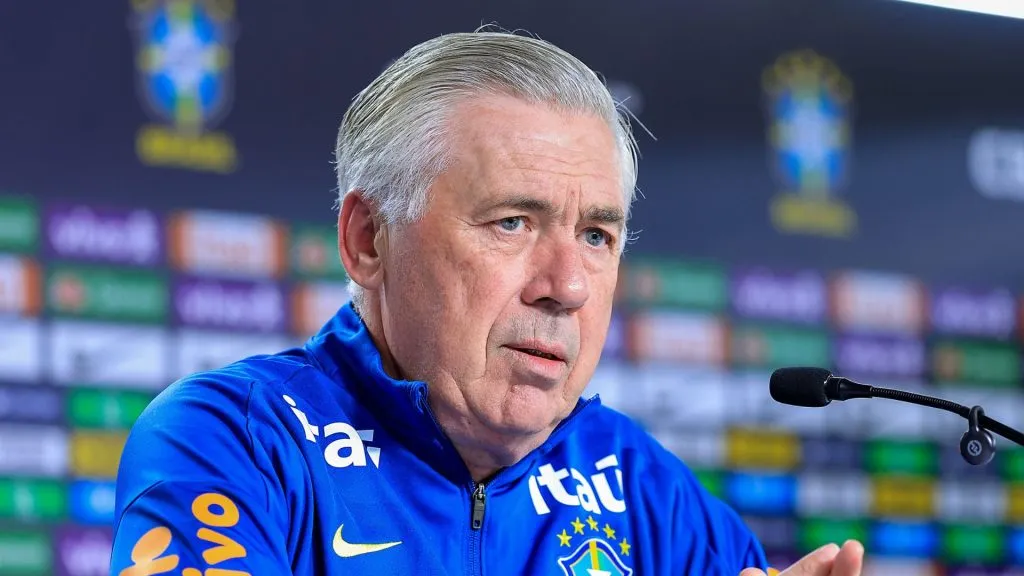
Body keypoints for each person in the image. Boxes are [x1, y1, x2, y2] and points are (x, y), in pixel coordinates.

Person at [109, 29, 865, 575]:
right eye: (513, 223)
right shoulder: (231, 439)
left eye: (598, 236)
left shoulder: (651, 495)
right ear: (369, 240)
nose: (566, 287)